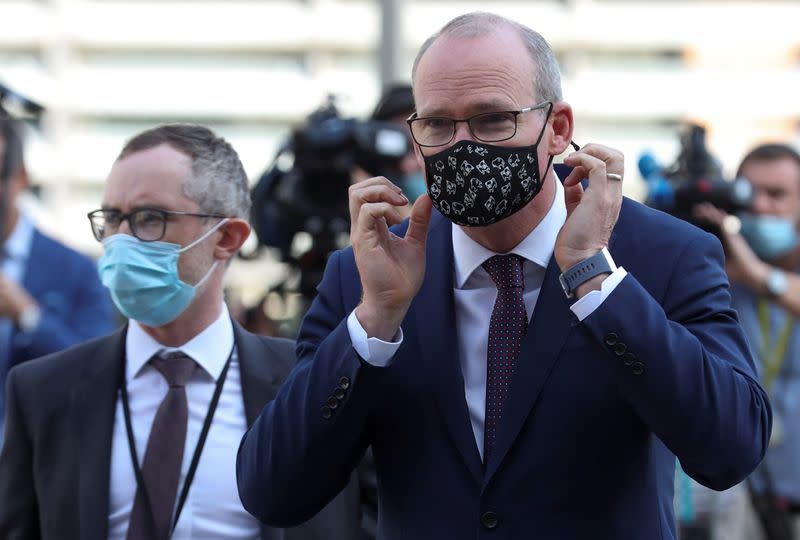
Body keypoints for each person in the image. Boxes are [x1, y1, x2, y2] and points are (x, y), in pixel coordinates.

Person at [237, 12, 771, 539]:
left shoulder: (662, 253)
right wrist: (375, 318)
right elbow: (275, 491)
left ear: (558, 128)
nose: (463, 145)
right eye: (438, 125)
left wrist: (595, 281)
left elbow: (730, 450)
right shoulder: (367, 270)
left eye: (494, 120)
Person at [0, 124, 360, 540]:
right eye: (112, 218)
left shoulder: (312, 385)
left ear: (227, 237)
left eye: (148, 219)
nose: (120, 241)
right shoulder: (42, 391)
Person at [695, 143, 800, 539]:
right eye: (749, 193)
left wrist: (759, 276)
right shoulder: (711, 270)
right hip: (740, 493)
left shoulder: (751, 274)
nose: (760, 207)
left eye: (777, 195)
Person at [0, 113, 115, 442]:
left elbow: (96, 373)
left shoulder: (76, 269)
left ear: (20, 178)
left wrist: (28, 316)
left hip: (35, 468)